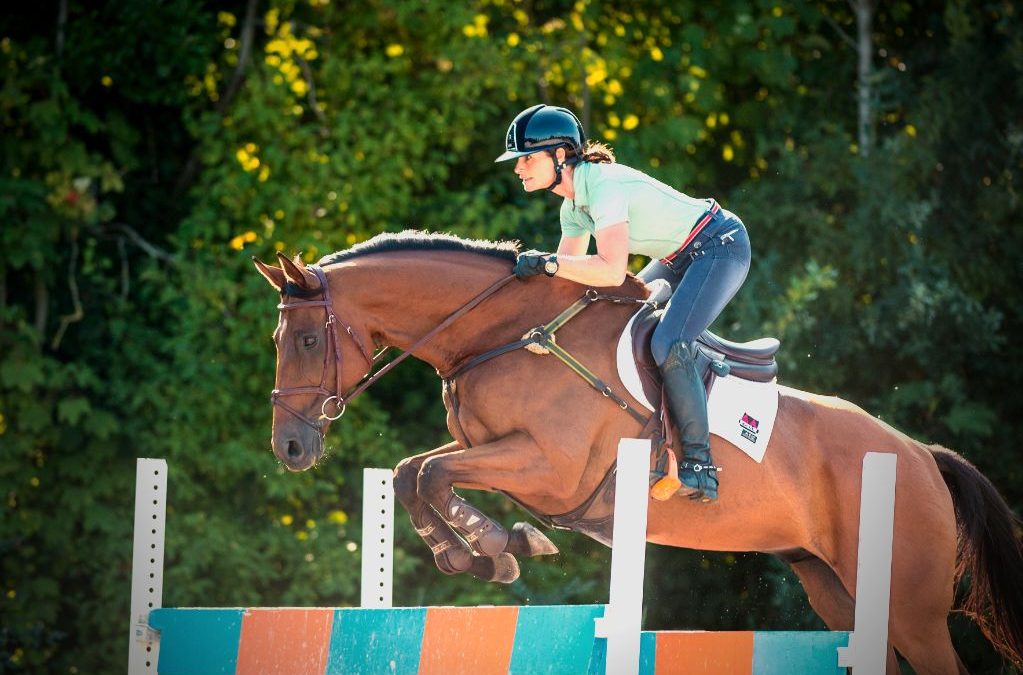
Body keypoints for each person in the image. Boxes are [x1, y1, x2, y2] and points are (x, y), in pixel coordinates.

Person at [495, 103, 751, 503]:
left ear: (559, 155)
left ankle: (700, 466)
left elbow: (611, 271)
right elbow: (567, 282)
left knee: (668, 342)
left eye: (527, 158)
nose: (518, 167)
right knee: (620, 321)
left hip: (720, 246)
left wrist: (547, 263)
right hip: (679, 256)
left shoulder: (602, 187)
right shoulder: (572, 206)